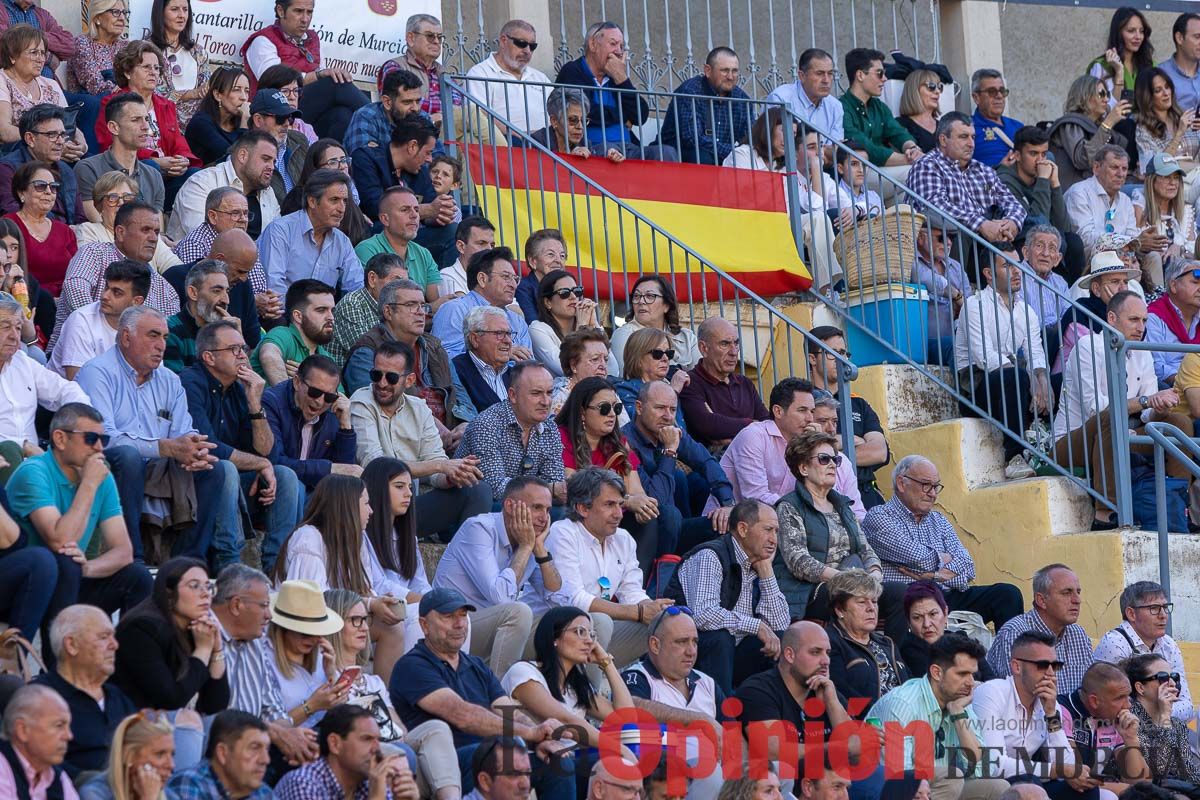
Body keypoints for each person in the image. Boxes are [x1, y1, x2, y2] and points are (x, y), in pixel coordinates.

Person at [76, 306, 254, 566]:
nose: (161, 345)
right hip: (112, 463)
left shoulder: (169, 379)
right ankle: (133, 559)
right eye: (153, 335)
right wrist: (165, 447)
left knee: (215, 468)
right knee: (128, 457)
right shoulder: (98, 372)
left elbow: (184, 431)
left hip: (161, 468)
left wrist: (196, 449)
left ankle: (186, 563)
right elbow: (103, 440)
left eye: (164, 337)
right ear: (126, 337)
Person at [389, 586, 578, 800]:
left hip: (488, 757)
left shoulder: (476, 665)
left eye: (463, 615)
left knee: (558, 761)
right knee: (483, 755)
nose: (460, 623)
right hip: (442, 765)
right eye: (448, 616)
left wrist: (540, 736)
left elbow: (509, 711)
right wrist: (530, 734)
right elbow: (463, 716)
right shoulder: (412, 666)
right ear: (424, 625)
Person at [6, 402, 153, 631]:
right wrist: (89, 484)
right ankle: (54, 662)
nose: (99, 449)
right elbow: (60, 541)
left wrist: (87, 569)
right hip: (27, 584)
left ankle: (128, 659)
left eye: (103, 441)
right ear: (60, 439)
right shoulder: (34, 472)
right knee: (65, 562)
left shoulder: (100, 475)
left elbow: (123, 552)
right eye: (90, 438)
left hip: (70, 577)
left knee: (138, 576)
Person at [1053, 291, 1187, 527]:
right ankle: (1105, 512)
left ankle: (1177, 500)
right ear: (1112, 318)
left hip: (1124, 435)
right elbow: (1096, 408)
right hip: (1074, 440)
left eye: (1144, 321)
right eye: (1134, 320)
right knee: (1110, 417)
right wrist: (1146, 400)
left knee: (1179, 423)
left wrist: (1161, 407)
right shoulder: (1088, 346)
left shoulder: (1142, 350)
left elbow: (1147, 413)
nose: (1141, 327)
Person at [182, 318, 305, 574]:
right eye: (234, 350)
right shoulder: (190, 382)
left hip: (236, 482)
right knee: (225, 468)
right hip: (194, 477)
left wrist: (254, 403)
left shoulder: (240, 388)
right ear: (209, 357)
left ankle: (276, 569)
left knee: (286, 476)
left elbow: (267, 451)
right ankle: (229, 565)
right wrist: (261, 464)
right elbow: (209, 446)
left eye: (243, 349)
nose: (242, 356)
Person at [322, 588, 460, 800]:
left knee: (436, 728)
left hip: (394, 744)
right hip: (363, 751)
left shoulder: (373, 681)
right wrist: (333, 674)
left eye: (365, 620)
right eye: (354, 620)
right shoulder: (323, 675)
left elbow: (400, 730)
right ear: (334, 625)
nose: (365, 629)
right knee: (398, 753)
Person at [863, 454, 1024, 630]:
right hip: (910, 597)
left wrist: (933, 576)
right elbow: (918, 558)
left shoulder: (939, 520)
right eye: (925, 485)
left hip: (945, 594)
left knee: (1007, 594)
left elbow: (968, 567)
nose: (932, 493)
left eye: (935, 487)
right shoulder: (879, 516)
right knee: (907, 594)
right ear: (902, 483)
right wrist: (945, 562)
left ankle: (1013, 655)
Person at [535, 467, 672, 670]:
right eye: (609, 505)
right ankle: (592, 694)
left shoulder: (623, 539)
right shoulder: (563, 533)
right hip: (550, 630)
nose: (618, 514)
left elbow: (632, 591)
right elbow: (573, 600)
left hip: (595, 629)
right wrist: (638, 612)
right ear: (583, 508)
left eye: (620, 505)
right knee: (599, 621)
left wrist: (654, 609)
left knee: (662, 625)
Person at [773, 429, 904, 637]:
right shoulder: (789, 507)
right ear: (804, 467)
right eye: (824, 459)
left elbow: (865, 549)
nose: (833, 464)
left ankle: (893, 659)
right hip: (812, 590)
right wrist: (843, 579)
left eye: (835, 459)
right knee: (845, 594)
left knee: (900, 592)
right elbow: (798, 561)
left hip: (853, 581)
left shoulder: (842, 505)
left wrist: (875, 573)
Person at [351, 346, 491, 538]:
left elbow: (435, 472)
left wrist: (452, 476)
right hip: (374, 508)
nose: (382, 383)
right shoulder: (361, 402)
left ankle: (464, 556)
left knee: (477, 489)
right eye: (376, 375)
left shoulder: (419, 409)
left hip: (408, 508)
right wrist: (441, 465)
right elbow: (375, 465)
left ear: (409, 380)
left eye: (391, 378)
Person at [501, 607, 635, 796]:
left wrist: (606, 662)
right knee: (613, 761)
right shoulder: (524, 673)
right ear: (554, 638)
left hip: (570, 762)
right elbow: (565, 720)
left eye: (591, 634)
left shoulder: (576, 689)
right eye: (579, 632)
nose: (589, 640)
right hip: (533, 761)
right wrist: (619, 749)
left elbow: (626, 718)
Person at [431, 475, 556, 675]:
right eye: (536, 508)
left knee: (566, 621)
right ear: (509, 506)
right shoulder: (479, 528)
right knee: (519, 612)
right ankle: (499, 697)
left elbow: (556, 595)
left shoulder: (532, 538)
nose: (544, 518)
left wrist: (540, 551)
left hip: (496, 628)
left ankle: (576, 698)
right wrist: (525, 547)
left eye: (548, 510)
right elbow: (500, 597)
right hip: (455, 626)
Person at [663, 499, 788, 696]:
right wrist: (756, 626)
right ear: (743, 529)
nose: (774, 539)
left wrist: (766, 572)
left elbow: (780, 624)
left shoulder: (756, 562)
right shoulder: (710, 555)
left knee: (780, 641)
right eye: (768, 530)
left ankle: (762, 715)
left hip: (732, 654)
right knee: (720, 637)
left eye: (777, 532)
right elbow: (703, 615)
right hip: (689, 649)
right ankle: (721, 717)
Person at [866, 632, 1008, 800]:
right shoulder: (902, 704)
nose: (971, 682)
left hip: (939, 790)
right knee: (950, 779)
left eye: (973, 674)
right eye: (962, 674)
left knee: (999, 787)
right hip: (892, 790)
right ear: (937, 673)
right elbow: (900, 776)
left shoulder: (960, 704)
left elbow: (984, 770)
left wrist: (958, 715)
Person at [953, 245, 1051, 479]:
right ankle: (1015, 456)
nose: (1016, 271)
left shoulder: (1025, 310)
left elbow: (1035, 352)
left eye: (1017, 264)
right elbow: (984, 357)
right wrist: (1029, 380)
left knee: (1057, 381)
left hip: (1010, 380)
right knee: (1013, 375)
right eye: (1007, 266)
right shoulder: (975, 305)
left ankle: (1049, 448)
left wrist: (1043, 381)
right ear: (988, 274)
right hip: (974, 387)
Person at [210, 565, 321, 768]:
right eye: (264, 605)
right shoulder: (202, 637)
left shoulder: (255, 642)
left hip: (259, 748)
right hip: (218, 754)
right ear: (236, 605)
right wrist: (276, 733)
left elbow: (273, 707)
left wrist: (290, 736)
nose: (269, 615)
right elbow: (213, 718)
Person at [344, 278, 464, 447]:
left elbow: (460, 394)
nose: (421, 312)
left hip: (449, 439)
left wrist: (466, 425)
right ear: (388, 312)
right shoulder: (367, 351)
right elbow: (374, 407)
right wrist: (429, 424)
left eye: (422, 305)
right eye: (410, 305)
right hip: (402, 443)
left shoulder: (434, 346)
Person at [556, 376, 662, 568]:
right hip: (584, 516)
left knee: (657, 518)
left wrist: (643, 504)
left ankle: (637, 586)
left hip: (615, 515)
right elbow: (575, 489)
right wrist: (628, 501)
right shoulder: (562, 437)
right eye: (605, 408)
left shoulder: (619, 442)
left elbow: (636, 489)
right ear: (582, 412)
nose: (612, 414)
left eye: (617, 408)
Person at [969, 630, 1085, 793]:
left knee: (1085, 791)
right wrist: (1053, 770)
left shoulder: (1049, 703)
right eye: (1042, 665)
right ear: (1016, 666)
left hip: (1028, 781)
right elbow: (993, 766)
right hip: (986, 784)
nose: (1051, 673)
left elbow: (1068, 766)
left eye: (1055, 666)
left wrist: (1051, 714)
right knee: (1030, 782)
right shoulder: (992, 692)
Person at [627, 380, 734, 555]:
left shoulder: (669, 431)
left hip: (675, 527)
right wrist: (670, 451)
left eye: (673, 410)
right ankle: (665, 574)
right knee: (670, 512)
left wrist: (728, 503)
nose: (668, 416)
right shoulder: (627, 442)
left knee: (725, 524)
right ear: (639, 408)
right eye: (660, 408)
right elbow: (656, 502)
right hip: (645, 533)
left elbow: (706, 462)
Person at [113, 556, 230, 712]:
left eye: (208, 586)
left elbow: (214, 705)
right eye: (194, 586)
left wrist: (217, 650)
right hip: (130, 724)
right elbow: (170, 699)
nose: (206, 594)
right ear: (169, 594)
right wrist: (203, 650)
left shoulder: (197, 629)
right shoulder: (140, 629)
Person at [238, 0, 368, 140]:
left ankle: (332, 160)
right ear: (281, 11)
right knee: (334, 82)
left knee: (342, 115)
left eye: (309, 12)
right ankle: (381, 119)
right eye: (298, 11)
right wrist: (319, 75)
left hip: (305, 116)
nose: (305, 19)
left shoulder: (313, 39)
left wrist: (321, 75)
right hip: (274, 112)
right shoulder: (263, 41)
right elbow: (274, 83)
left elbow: (321, 85)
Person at [32, 605, 136, 778]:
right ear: (71, 645)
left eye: (113, 637)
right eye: (104, 637)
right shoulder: (40, 699)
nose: (115, 645)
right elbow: (38, 762)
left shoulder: (117, 697)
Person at [732, 621, 852, 768]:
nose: (826, 661)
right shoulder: (758, 690)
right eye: (815, 652)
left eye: (827, 653)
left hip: (826, 784)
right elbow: (773, 751)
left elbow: (856, 753)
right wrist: (835, 749)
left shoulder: (828, 692)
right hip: (779, 785)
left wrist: (832, 704)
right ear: (789, 654)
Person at [96, 42, 201, 209]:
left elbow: (177, 140)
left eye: (157, 68)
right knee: (150, 168)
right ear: (127, 72)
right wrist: (155, 161)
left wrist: (182, 159)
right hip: (130, 174)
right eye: (146, 67)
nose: (153, 72)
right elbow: (109, 143)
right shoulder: (112, 103)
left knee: (195, 175)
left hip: (168, 174)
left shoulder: (166, 105)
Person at [907, 112, 1026, 260]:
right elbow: (935, 206)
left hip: (986, 238)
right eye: (964, 137)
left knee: (1032, 226)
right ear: (943, 140)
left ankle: (1028, 281)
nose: (971, 144)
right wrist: (981, 224)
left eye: (973, 137)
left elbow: (1012, 202)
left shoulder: (983, 170)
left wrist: (1011, 223)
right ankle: (960, 282)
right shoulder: (927, 165)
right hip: (947, 240)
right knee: (958, 229)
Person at [0, 280, 88, 462]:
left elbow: (65, 390)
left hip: (34, 462)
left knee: (97, 461)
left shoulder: (22, 362)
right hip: (6, 461)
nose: (14, 335)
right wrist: (23, 449)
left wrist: (81, 419)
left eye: (17, 327)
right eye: (5, 326)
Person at [554, 21, 665, 159]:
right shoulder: (572, 71)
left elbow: (640, 115)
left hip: (628, 147)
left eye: (621, 46)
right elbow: (586, 112)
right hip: (591, 148)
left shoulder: (616, 76)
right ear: (593, 45)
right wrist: (624, 116)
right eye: (613, 44)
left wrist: (622, 79)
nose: (619, 51)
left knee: (665, 153)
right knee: (608, 148)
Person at [1093, 580, 1192, 722]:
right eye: (1154, 608)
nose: (1163, 615)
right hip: (1119, 733)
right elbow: (1108, 704)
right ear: (1131, 614)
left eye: (1165, 607)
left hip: (1162, 726)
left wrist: (1164, 712)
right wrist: (1161, 711)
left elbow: (1186, 704)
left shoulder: (1169, 645)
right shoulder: (1115, 644)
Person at [274, 703, 419, 800]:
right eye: (366, 739)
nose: (377, 748)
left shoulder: (369, 782)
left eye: (377, 740)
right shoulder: (304, 784)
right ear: (335, 744)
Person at [988, 564, 1095, 694]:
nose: (1077, 600)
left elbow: (1089, 692)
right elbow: (1019, 697)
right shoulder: (1016, 633)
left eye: (1078, 592)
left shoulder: (1078, 635)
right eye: (1066, 593)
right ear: (1041, 600)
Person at [262, 353, 359, 493]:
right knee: (291, 481)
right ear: (297, 382)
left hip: (315, 495)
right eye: (314, 392)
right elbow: (274, 462)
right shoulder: (271, 402)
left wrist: (346, 428)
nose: (320, 401)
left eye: (329, 396)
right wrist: (328, 469)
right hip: (277, 491)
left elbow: (345, 474)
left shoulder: (333, 409)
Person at [713, 377, 818, 506]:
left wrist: (817, 446)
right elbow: (756, 497)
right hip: (731, 521)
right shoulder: (753, 436)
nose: (810, 418)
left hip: (784, 519)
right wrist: (801, 510)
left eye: (812, 411)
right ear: (778, 411)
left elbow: (822, 489)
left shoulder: (805, 442)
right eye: (802, 410)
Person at [260, 168, 363, 297]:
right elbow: (273, 288)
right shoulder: (280, 231)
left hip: (324, 315)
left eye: (345, 201)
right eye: (334, 200)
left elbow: (357, 288)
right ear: (312, 201)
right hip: (282, 313)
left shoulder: (342, 242)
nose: (342, 209)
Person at [166, 128, 280, 243]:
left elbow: (276, 241)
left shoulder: (268, 193)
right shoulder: (202, 183)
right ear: (243, 156)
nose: (272, 167)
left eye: (274, 162)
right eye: (265, 159)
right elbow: (204, 241)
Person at [1057, 662, 1150, 795]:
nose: (1128, 705)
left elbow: (1140, 782)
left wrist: (1131, 739)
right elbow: (1076, 776)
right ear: (1094, 701)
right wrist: (1127, 790)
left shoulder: (1113, 717)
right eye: (1120, 698)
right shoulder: (1062, 710)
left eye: (1128, 696)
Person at [839, 47, 921, 194]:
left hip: (884, 174)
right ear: (860, 75)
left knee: (910, 206)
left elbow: (898, 132)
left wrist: (912, 148)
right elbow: (868, 149)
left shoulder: (879, 106)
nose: (885, 78)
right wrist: (909, 159)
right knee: (917, 172)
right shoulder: (841, 108)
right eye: (880, 73)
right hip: (861, 173)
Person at [824, 569, 908, 711]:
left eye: (874, 602)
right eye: (862, 602)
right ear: (839, 610)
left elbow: (909, 688)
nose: (871, 608)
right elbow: (841, 696)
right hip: (866, 724)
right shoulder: (829, 643)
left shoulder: (887, 643)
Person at [678, 317, 768, 449]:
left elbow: (767, 423)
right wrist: (753, 424)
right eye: (724, 344)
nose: (733, 352)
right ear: (704, 348)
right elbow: (708, 425)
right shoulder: (690, 383)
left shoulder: (745, 383)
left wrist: (729, 430)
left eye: (736, 343)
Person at [168, 227, 263, 350]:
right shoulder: (175, 278)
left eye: (227, 291)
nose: (244, 278)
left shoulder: (243, 286)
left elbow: (253, 346)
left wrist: (238, 339)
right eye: (240, 271)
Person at [433, 246, 532, 361]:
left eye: (515, 279)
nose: (513, 285)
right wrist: (496, 353)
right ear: (482, 279)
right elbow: (443, 360)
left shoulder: (517, 320)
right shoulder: (455, 309)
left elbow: (529, 363)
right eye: (506, 277)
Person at [354, 187, 446, 311]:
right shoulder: (367, 250)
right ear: (385, 219)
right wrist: (429, 308)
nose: (414, 215)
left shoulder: (423, 253)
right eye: (405, 210)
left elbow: (438, 301)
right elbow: (377, 306)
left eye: (417, 210)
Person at [657, 46, 750, 165]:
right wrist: (733, 151)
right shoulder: (690, 91)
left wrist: (739, 153)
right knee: (702, 157)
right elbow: (692, 139)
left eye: (735, 71)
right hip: (679, 157)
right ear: (707, 71)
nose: (730, 77)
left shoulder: (742, 99)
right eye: (725, 70)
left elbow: (749, 139)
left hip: (722, 159)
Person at [0, 25, 84, 155]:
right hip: (19, 154)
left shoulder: (51, 85)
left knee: (86, 165)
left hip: (57, 150)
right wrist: (48, 145)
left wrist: (82, 143)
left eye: (43, 53)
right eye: (34, 53)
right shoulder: (2, 81)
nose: (41, 60)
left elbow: (68, 124)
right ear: (12, 56)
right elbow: (4, 131)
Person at [75, 172, 179, 273]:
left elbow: (175, 267)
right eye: (113, 198)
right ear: (100, 206)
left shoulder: (147, 233)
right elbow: (89, 268)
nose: (121, 203)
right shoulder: (89, 230)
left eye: (127, 198)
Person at [463, 19, 553, 136]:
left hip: (546, 148)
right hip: (503, 148)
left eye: (532, 46)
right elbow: (477, 115)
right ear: (503, 41)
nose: (527, 51)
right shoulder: (480, 73)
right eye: (521, 43)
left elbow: (558, 113)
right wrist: (521, 137)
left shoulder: (540, 78)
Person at [278, 136, 371, 247]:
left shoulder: (348, 197)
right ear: (316, 168)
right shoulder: (298, 197)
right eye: (333, 162)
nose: (342, 166)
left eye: (344, 160)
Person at [1124, 653, 1200, 787]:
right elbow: (1159, 769)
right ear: (1140, 688)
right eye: (1162, 678)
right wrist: (1165, 716)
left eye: (1174, 677)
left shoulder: (1176, 724)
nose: (1172, 683)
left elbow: (1190, 773)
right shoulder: (1130, 721)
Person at [0, 104, 85, 224]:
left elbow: (79, 218)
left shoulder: (65, 170)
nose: (61, 142)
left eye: (62, 135)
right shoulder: (8, 169)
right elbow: (12, 215)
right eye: (52, 135)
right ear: (30, 139)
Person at [1064, 145, 1152, 261]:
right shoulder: (1079, 193)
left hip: (1120, 261)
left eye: (1124, 169)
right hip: (1088, 265)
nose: (1120, 174)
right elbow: (1085, 241)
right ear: (1096, 168)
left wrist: (1145, 240)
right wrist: (1130, 241)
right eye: (1114, 167)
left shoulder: (1125, 200)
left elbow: (1132, 236)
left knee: (1153, 256)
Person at [1046, 75, 1131, 191]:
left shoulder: (1097, 126)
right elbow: (1082, 159)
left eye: (1107, 94)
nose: (1106, 99)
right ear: (1084, 96)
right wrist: (1108, 123)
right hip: (1073, 194)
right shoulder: (1070, 124)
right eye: (1101, 94)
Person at [5, 160, 75, 299]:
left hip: (63, 304)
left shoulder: (65, 231)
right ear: (21, 193)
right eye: (40, 186)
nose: (49, 192)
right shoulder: (8, 225)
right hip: (23, 301)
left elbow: (76, 275)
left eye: (53, 187)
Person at [351, 112, 438, 223]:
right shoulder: (366, 158)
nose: (430, 159)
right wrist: (425, 210)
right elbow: (375, 209)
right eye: (428, 152)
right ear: (412, 146)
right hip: (378, 234)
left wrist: (442, 214)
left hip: (414, 233)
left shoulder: (420, 170)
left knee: (451, 229)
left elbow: (432, 206)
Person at [898, 582, 995, 682]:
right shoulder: (906, 653)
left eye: (933, 614)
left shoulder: (963, 641)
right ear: (908, 622)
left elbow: (992, 683)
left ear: (945, 612)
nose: (927, 624)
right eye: (917, 617)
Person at [167, 711, 274, 799]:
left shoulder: (264, 794)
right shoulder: (189, 785)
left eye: (267, 749)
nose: (266, 760)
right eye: (254, 748)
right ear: (222, 753)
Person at [76, 709, 178, 800]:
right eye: (160, 754)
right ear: (128, 755)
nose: (171, 765)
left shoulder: (170, 796)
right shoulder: (94, 793)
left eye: (172, 754)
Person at [328, 253, 408, 368]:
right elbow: (370, 354)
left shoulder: (396, 306)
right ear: (372, 279)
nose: (403, 289)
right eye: (396, 281)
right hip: (346, 378)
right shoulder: (352, 303)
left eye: (405, 283)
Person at [0, 684, 80, 800]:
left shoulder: (57, 777)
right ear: (23, 730)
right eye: (59, 725)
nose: (69, 736)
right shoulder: (2, 767)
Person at [996, 127, 1072, 247]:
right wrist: (1043, 180)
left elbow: (1065, 228)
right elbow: (1036, 227)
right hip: (1020, 244)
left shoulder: (1044, 175)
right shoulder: (1005, 181)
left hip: (1045, 246)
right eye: (1033, 153)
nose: (1040, 161)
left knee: (1073, 241)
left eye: (1044, 154)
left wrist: (1055, 184)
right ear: (1017, 156)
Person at [250, 277, 334, 385]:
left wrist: (310, 380)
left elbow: (341, 398)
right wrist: (289, 392)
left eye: (332, 310)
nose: (331, 317)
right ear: (298, 316)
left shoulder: (326, 357)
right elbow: (269, 356)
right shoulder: (283, 334)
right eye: (321, 310)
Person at [610, 274, 699, 371]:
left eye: (650, 296)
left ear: (666, 305)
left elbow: (701, 375)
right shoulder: (624, 335)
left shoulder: (687, 337)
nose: (641, 301)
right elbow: (627, 375)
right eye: (636, 296)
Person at [764, 48, 844, 154]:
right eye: (819, 73)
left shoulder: (835, 106)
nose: (826, 80)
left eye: (830, 73)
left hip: (822, 167)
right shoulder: (781, 98)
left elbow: (835, 151)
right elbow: (777, 145)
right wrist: (820, 152)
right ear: (802, 76)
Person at [529, 270, 602, 379]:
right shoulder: (538, 329)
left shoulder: (586, 326)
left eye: (576, 291)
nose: (573, 296)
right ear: (548, 302)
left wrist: (594, 325)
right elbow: (567, 369)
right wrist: (582, 328)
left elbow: (613, 369)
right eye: (564, 293)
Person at [149, 0, 209, 128]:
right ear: (161, 13)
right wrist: (193, 93)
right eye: (175, 9)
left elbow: (206, 89)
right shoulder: (147, 50)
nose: (182, 15)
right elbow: (153, 94)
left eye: (185, 9)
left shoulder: (198, 52)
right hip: (160, 123)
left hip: (196, 126)